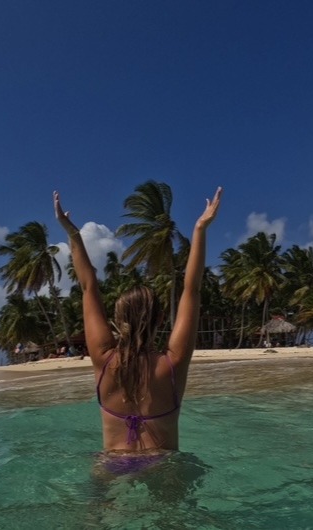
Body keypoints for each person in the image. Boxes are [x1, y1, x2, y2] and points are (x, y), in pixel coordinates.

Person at [53, 187, 222, 454]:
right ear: (161, 318)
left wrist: (71, 232)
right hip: (164, 465)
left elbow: (88, 286)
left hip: (111, 464)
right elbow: (193, 289)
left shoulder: (104, 359)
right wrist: (200, 228)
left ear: (118, 321)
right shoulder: (172, 363)